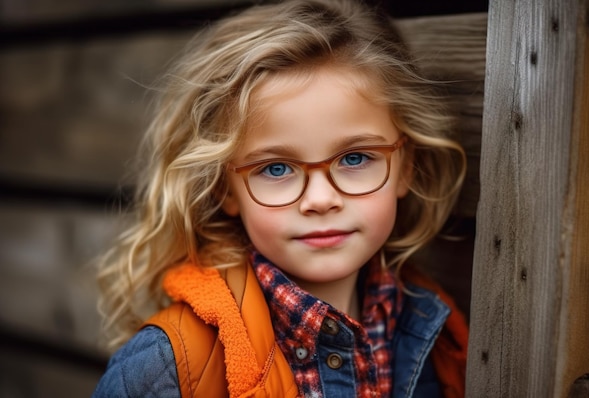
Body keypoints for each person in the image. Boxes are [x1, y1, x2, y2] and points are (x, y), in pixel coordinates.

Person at [92, 0, 468, 396]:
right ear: (225, 188)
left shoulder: (439, 336)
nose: (320, 200)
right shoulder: (164, 369)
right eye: (275, 168)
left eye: (355, 158)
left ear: (405, 167)